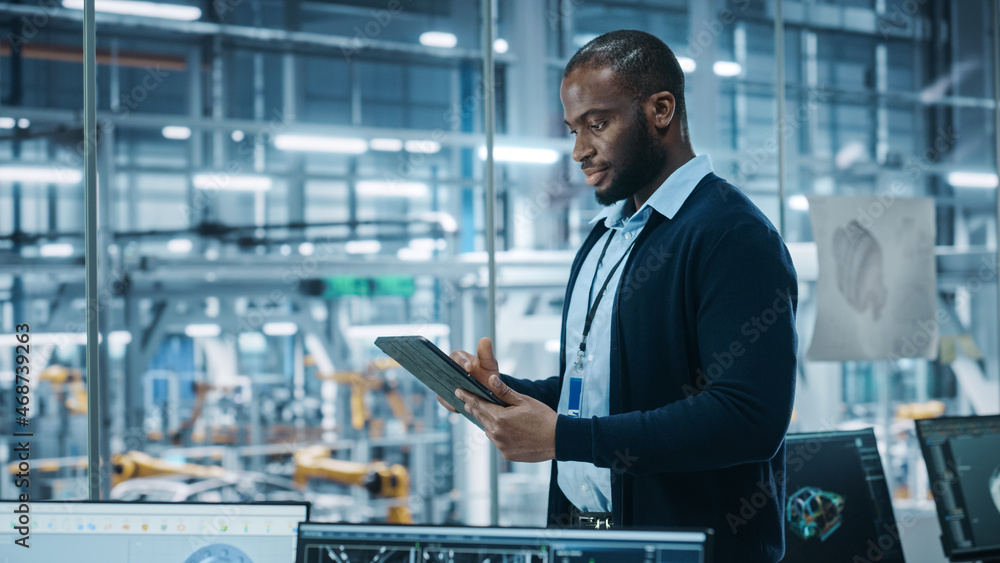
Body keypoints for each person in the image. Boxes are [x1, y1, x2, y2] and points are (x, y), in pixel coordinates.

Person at [440, 29, 797, 562]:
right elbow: (601, 386)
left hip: (693, 549)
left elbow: (747, 419)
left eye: (598, 124)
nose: (581, 151)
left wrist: (564, 438)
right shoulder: (607, 236)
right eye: (573, 130)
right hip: (592, 537)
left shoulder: (731, 235)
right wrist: (498, 393)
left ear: (660, 110)